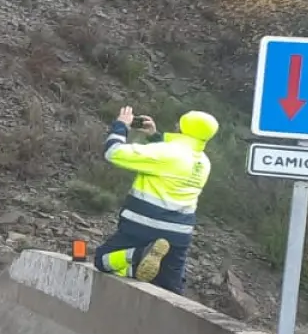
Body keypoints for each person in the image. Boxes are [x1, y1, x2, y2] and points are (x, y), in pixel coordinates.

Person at [89, 106, 218, 293]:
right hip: (179, 233)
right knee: (169, 286)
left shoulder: (166, 152)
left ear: (182, 129)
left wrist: (121, 126)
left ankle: (138, 258)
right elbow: (171, 158)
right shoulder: (203, 162)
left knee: (103, 259)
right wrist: (155, 136)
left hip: (143, 225)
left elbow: (113, 152)